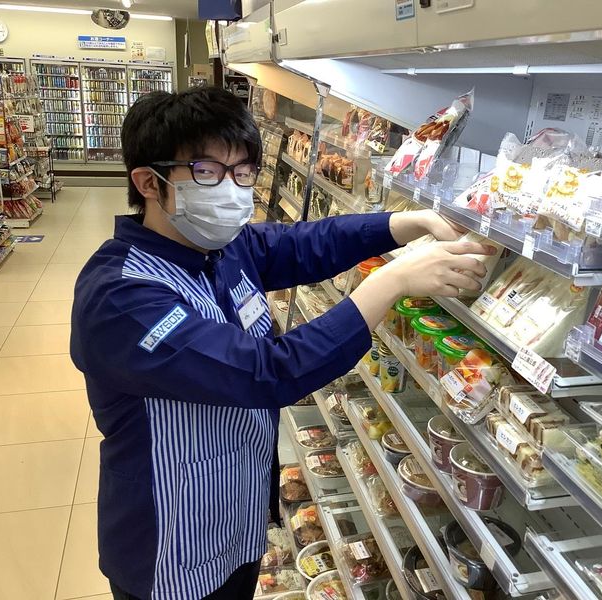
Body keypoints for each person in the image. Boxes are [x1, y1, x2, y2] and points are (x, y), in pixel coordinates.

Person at [70, 86, 492, 600]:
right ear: (148, 183)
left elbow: (306, 243)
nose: (232, 189)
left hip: (236, 516)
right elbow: (266, 372)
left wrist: (405, 224)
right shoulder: (120, 298)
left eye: (243, 171)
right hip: (169, 540)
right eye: (207, 172)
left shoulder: (221, 247)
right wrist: (393, 281)